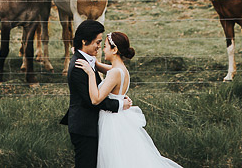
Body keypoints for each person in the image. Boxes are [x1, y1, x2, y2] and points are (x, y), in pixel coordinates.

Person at [75, 31, 182, 168]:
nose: (103, 49)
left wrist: (90, 73)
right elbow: (102, 68)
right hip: (121, 118)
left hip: (111, 122)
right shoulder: (121, 70)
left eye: (106, 46)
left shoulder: (114, 73)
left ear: (115, 50)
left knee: (114, 159)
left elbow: (96, 99)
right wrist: (88, 58)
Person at [61, 20, 132, 168]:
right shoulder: (79, 67)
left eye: (102, 44)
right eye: (98, 42)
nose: (100, 47)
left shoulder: (88, 61)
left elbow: (108, 70)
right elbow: (92, 100)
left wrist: (94, 64)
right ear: (85, 41)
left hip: (95, 125)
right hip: (84, 127)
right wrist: (119, 104)